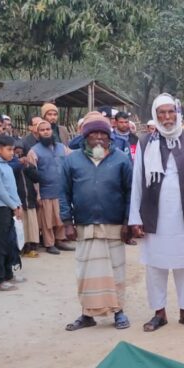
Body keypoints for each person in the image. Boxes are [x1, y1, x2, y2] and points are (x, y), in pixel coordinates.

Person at [129, 93, 184, 333]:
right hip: (154, 214)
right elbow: (137, 182)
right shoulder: (145, 142)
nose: (167, 117)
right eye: (162, 113)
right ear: (155, 116)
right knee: (155, 266)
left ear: (177, 113)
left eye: (170, 112)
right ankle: (159, 313)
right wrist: (135, 218)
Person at [60, 115, 133, 331]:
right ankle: (87, 314)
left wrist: (128, 221)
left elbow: (131, 192)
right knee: (87, 273)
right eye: (94, 134)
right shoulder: (72, 160)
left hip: (114, 225)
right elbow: (63, 193)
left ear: (110, 137)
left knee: (115, 271)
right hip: (85, 225)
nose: (99, 138)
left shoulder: (121, 159)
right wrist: (67, 221)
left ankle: (118, 311)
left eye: (103, 134)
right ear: (86, 137)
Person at [29, 120, 73, 254]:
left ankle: (60, 240)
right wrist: (37, 194)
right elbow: (32, 175)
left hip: (61, 190)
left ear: (52, 131)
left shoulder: (62, 147)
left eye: (48, 129)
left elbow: (72, 161)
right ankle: (49, 244)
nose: (46, 132)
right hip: (45, 191)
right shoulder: (33, 151)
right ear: (38, 133)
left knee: (61, 218)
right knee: (47, 221)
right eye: (42, 130)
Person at [0, 135, 23, 291]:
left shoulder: (7, 166)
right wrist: (14, 206)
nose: (12, 153)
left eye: (13, 150)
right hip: (1, 209)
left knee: (10, 243)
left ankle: (9, 275)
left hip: (11, 207)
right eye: (9, 150)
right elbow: (0, 191)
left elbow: (12, 190)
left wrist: (19, 205)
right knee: (1, 244)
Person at [12, 145, 40, 257]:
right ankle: (23, 245)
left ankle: (33, 245)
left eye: (21, 153)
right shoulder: (11, 166)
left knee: (32, 224)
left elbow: (36, 178)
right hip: (19, 201)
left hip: (30, 199)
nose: (20, 155)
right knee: (22, 225)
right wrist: (18, 165)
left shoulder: (29, 165)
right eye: (17, 153)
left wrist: (27, 166)